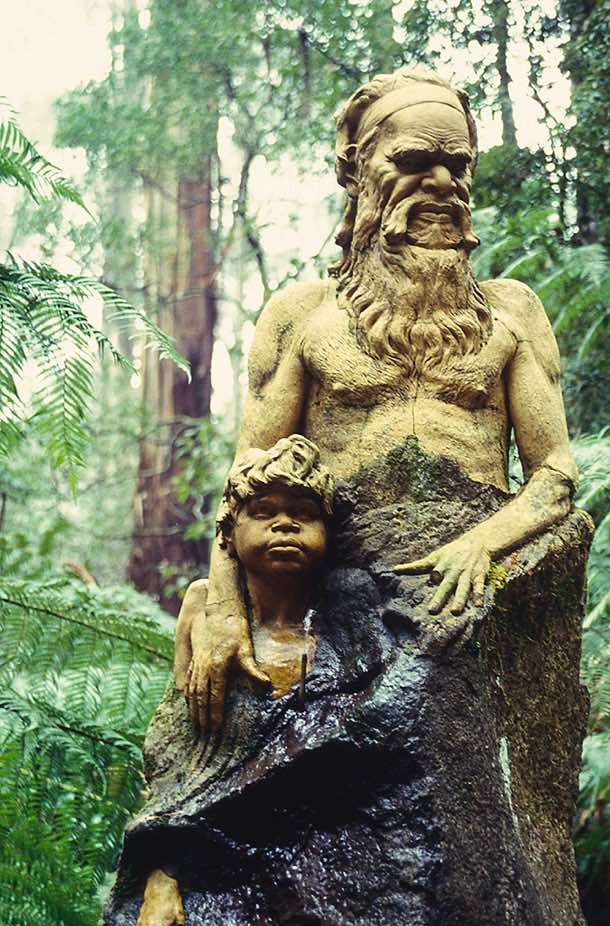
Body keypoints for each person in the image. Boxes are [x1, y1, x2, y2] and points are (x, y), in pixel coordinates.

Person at [186, 67, 579, 732]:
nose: (443, 185)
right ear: (359, 174)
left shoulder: (512, 314)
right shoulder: (304, 316)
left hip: (468, 588)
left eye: (458, 165)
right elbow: (246, 477)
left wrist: (482, 546)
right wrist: (225, 614)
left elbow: (557, 475)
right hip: (330, 586)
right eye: (415, 161)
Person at [123, 435, 334, 926]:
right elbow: (173, 749)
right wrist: (164, 871)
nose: (284, 525)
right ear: (230, 531)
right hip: (209, 852)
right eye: (263, 512)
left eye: (303, 514)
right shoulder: (205, 611)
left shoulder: (346, 626)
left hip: (316, 853)